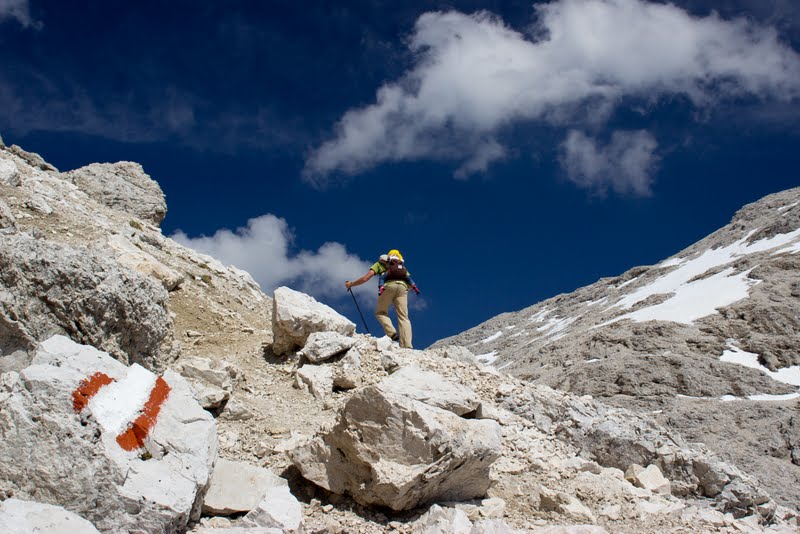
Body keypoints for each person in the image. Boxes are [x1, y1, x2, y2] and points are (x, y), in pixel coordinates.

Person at [345, 249, 419, 348]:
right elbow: (409, 283)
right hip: (403, 289)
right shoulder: (401, 266)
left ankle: (392, 333)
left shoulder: (380, 264)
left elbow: (365, 278)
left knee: (380, 312)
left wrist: (351, 284)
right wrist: (401, 291)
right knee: (404, 317)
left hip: (388, 286)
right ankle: (407, 345)